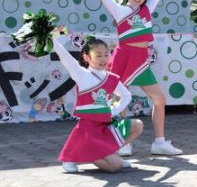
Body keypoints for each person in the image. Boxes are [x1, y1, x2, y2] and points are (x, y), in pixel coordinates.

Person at [84, 0, 182, 156]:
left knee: (159, 100)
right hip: (124, 57)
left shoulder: (147, 9)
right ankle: (122, 142)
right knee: (119, 99)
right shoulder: (119, 9)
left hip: (141, 60)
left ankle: (159, 143)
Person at [54, 32, 143, 173]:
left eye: (106, 55)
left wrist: (113, 111)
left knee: (137, 125)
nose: (103, 59)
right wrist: (52, 41)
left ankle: (108, 152)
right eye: (98, 55)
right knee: (115, 167)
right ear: (87, 58)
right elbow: (66, 59)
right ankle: (85, 152)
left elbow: (126, 95)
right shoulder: (82, 74)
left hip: (105, 126)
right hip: (88, 130)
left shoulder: (111, 78)